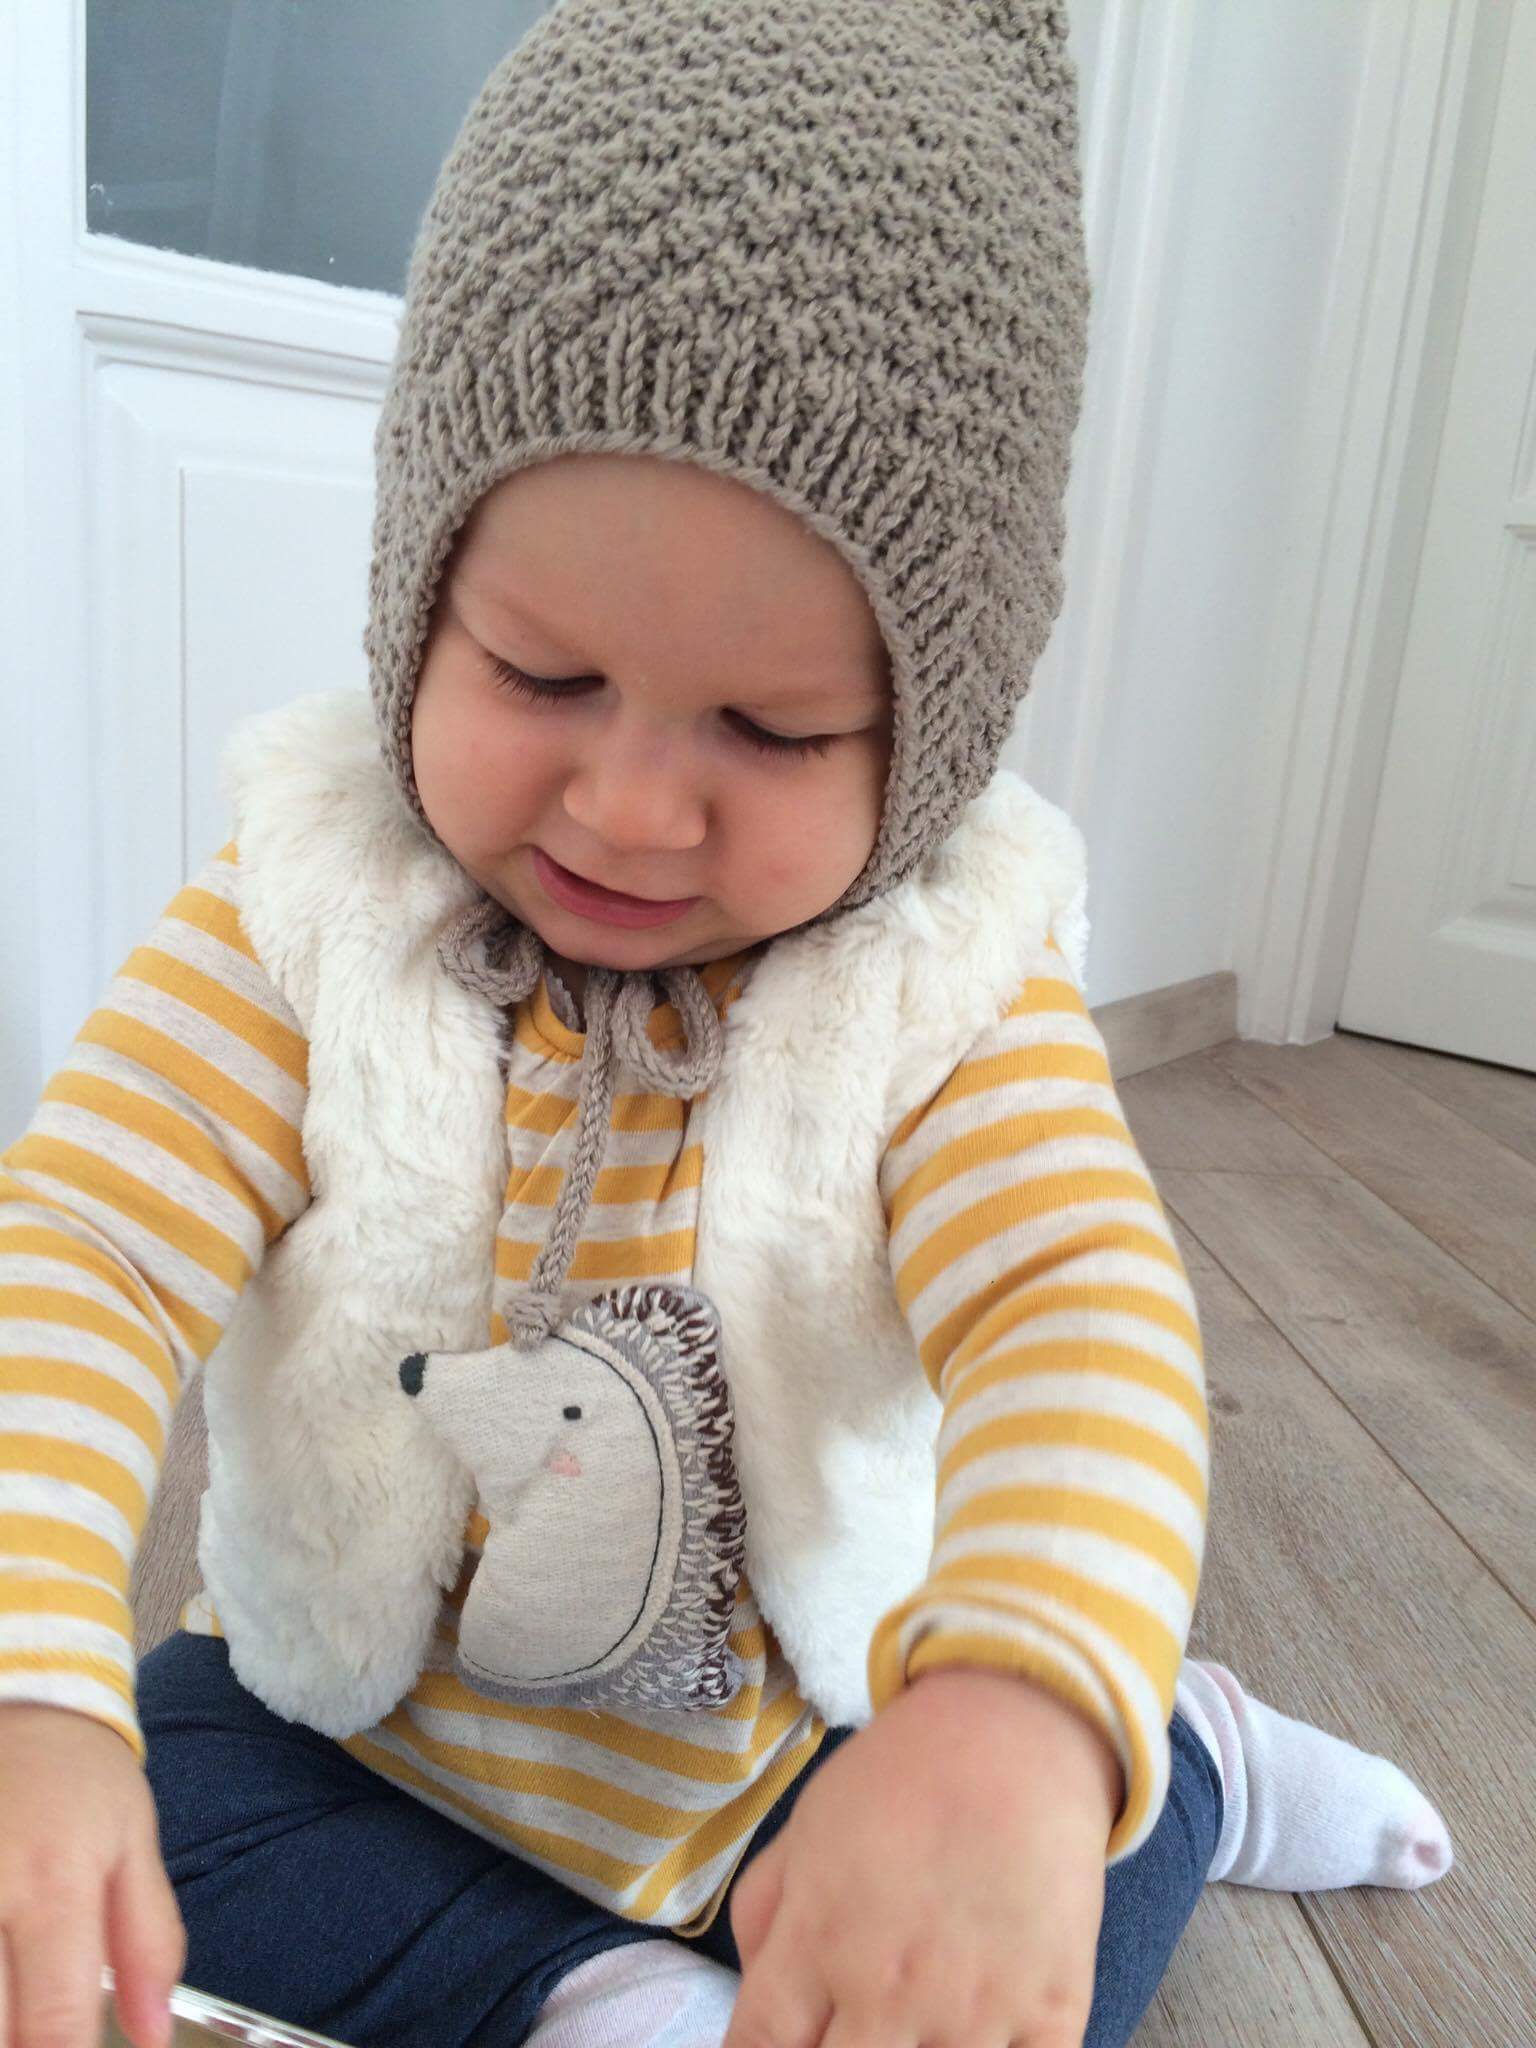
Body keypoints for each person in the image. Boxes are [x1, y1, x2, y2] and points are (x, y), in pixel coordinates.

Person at [0, 5, 1453, 2047]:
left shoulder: (941, 983)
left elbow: (1076, 1301)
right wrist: (32, 1690)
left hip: (807, 1757)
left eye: (770, 730)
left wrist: (1016, 1712)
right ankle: (583, 1984)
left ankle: (1182, 1760)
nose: (627, 808)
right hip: (359, 1730)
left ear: (930, 732)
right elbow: (86, 1242)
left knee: (1004, 1923)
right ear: (419, 597)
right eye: (539, 674)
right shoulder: (307, 901)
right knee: (125, 1838)